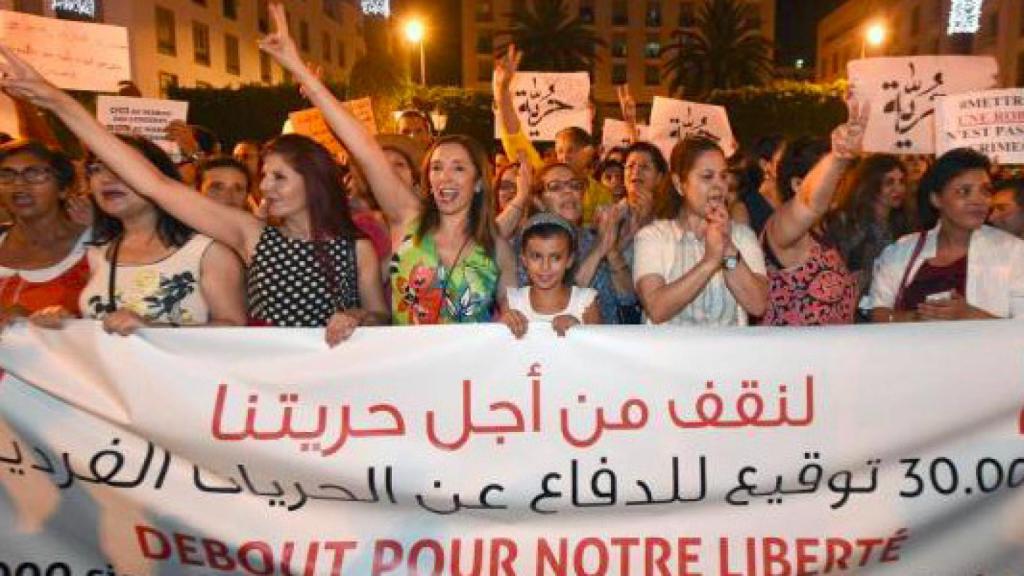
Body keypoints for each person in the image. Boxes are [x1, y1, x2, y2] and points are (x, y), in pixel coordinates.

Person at [0, 45, 389, 343]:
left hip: (334, 395)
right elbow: (157, 184)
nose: (265, 187)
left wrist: (357, 317)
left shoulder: (357, 248)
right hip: (264, 391)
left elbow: (382, 317)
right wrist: (57, 101)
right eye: (265, 176)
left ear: (314, 181)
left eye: (279, 178)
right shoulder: (251, 236)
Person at [256, 3, 515, 325]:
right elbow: (363, 146)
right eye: (436, 167)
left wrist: (512, 318)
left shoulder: (497, 246)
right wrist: (299, 69)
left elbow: (513, 317)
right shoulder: (408, 218)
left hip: (469, 374)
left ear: (478, 182)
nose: (444, 177)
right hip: (403, 372)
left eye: (459, 168)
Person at [34, 135, 246, 334]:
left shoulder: (209, 253)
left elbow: (232, 330)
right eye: (97, 168)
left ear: (155, 178)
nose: (106, 179)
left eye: (121, 167)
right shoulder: (98, 252)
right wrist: (65, 323)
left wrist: (151, 330)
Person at [870, 148, 1024, 322]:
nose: (979, 200)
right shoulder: (901, 251)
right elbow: (879, 313)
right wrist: (917, 318)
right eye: (964, 191)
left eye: (986, 191)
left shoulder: (1014, 253)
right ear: (936, 199)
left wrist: (971, 316)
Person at [634, 137, 768, 326]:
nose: (718, 185)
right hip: (669, 353)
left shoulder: (742, 236)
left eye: (723, 176)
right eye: (707, 176)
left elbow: (757, 304)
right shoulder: (653, 237)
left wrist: (727, 248)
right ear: (680, 184)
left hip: (727, 353)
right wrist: (710, 262)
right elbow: (657, 309)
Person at [761, 104, 867, 326]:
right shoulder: (781, 228)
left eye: (841, 177)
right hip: (794, 358)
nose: (839, 183)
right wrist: (838, 157)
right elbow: (810, 203)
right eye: (830, 178)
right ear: (798, 184)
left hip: (826, 357)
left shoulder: (827, 230)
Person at [494, 45, 613, 227]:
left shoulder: (602, 194)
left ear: (587, 152)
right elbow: (514, 136)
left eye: (571, 150)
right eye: (555, 186)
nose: (564, 156)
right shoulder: (541, 173)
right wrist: (503, 93)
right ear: (539, 199)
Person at [0, 140, 89, 333]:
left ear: (64, 189)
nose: (19, 184)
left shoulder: (97, 248)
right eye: (6, 175)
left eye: (34, 174)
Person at [826, 153, 915, 316]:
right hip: (855, 310)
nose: (898, 189)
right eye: (889, 182)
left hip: (892, 307)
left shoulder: (905, 223)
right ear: (871, 184)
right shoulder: (848, 222)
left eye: (901, 182)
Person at [504, 213, 600, 337]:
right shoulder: (513, 302)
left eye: (555, 258)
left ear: (570, 260)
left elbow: (597, 349)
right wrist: (502, 325)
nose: (545, 267)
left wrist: (579, 330)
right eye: (536, 256)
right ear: (524, 259)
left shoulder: (585, 303)